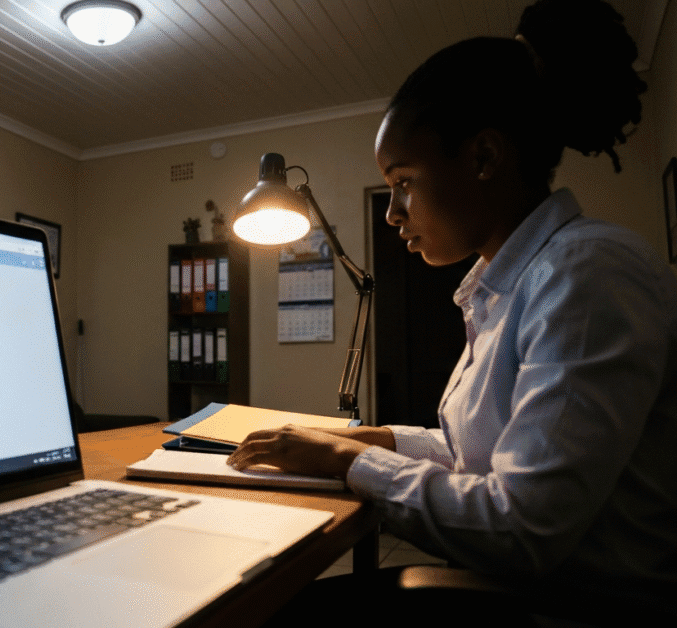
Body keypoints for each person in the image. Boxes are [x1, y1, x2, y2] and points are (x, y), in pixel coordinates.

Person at [228, 0, 676, 623]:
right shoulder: (510, 283)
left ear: (485, 158)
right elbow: (482, 453)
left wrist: (346, 459)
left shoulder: (586, 277)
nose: (392, 213)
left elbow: (521, 525)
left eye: (403, 180)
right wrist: (365, 439)